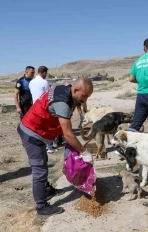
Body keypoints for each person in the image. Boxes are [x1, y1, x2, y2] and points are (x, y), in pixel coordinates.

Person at [17, 77, 94, 216]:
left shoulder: (67, 91)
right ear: (76, 89)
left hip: (38, 131)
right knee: (39, 170)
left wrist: (82, 107)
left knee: (43, 163)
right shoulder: (63, 103)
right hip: (32, 133)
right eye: (85, 96)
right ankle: (41, 207)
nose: (85, 99)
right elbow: (68, 134)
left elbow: (75, 103)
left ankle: (46, 189)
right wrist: (84, 152)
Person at [29, 66, 57, 153]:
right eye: (46, 73)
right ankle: (50, 147)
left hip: (34, 107)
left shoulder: (31, 82)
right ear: (44, 73)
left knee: (38, 126)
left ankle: (40, 145)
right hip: (44, 107)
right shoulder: (44, 82)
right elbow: (48, 95)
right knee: (48, 127)